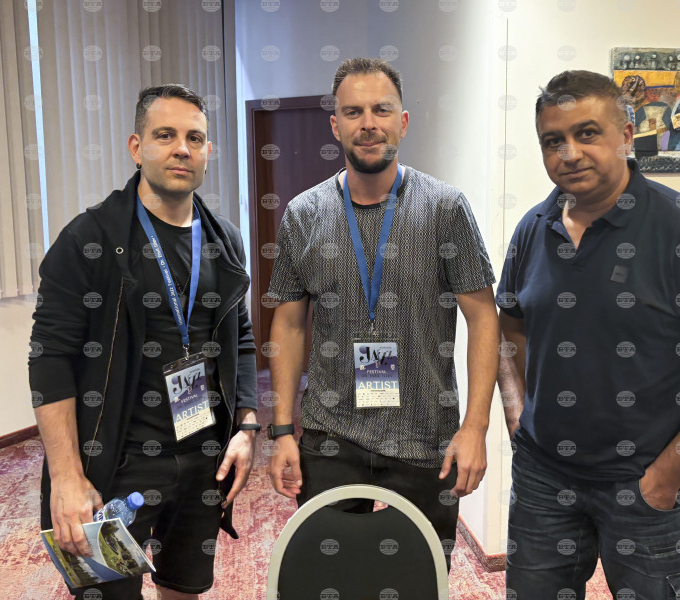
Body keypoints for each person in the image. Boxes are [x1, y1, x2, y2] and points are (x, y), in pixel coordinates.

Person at [496, 70, 680, 599]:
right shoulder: (534, 228)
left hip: (646, 489)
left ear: (626, 135)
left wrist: (665, 479)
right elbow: (509, 327)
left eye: (587, 133)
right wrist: (517, 413)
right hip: (542, 480)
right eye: (553, 141)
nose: (569, 153)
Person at [266, 57, 499, 567]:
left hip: (425, 434)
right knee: (329, 572)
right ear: (336, 125)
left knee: (419, 574)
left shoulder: (445, 208)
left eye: (381, 110)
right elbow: (288, 322)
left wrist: (476, 427)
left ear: (403, 121)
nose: (368, 123)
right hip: (333, 434)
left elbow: (484, 318)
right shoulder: (304, 214)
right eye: (353, 112)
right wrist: (282, 431)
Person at [29, 84, 259, 600]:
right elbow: (49, 360)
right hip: (113, 463)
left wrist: (246, 426)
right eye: (165, 135)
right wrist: (66, 478)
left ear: (208, 151)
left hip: (203, 457)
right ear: (137, 147)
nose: (182, 149)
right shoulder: (88, 240)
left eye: (194, 138)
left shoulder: (224, 240)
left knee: (185, 588)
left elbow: (240, 338)